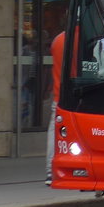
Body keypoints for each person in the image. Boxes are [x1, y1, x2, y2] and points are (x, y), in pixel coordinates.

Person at [45, 30, 66, 185]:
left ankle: (50, 171)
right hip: (77, 95)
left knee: (54, 130)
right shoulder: (87, 38)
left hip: (59, 94)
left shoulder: (58, 40)